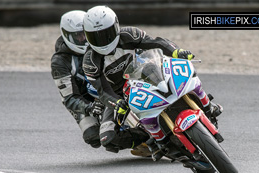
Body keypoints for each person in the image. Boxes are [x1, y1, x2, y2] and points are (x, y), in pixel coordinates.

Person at [82, 6, 222, 157]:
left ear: (116, 27)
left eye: (106, 34)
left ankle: (207, 106)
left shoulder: (130, 34)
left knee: (183, 73)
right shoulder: (90, 62)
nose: (102, 41)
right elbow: (103, 91)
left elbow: (157, 43)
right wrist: (116, 103)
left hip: (148, 72)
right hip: (120, 95)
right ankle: (148, 141)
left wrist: (177, 51)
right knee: (107, 137)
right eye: (96, 37)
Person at [51, 10, 104, 149]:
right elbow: (69, 98)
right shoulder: (60, 61)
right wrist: (89, 107)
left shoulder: (99, 42)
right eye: (79, 35)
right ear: (67, 35)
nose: (84, 38)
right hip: (84, 98)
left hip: (107, 85)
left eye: (85, 33)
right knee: (93, 137)